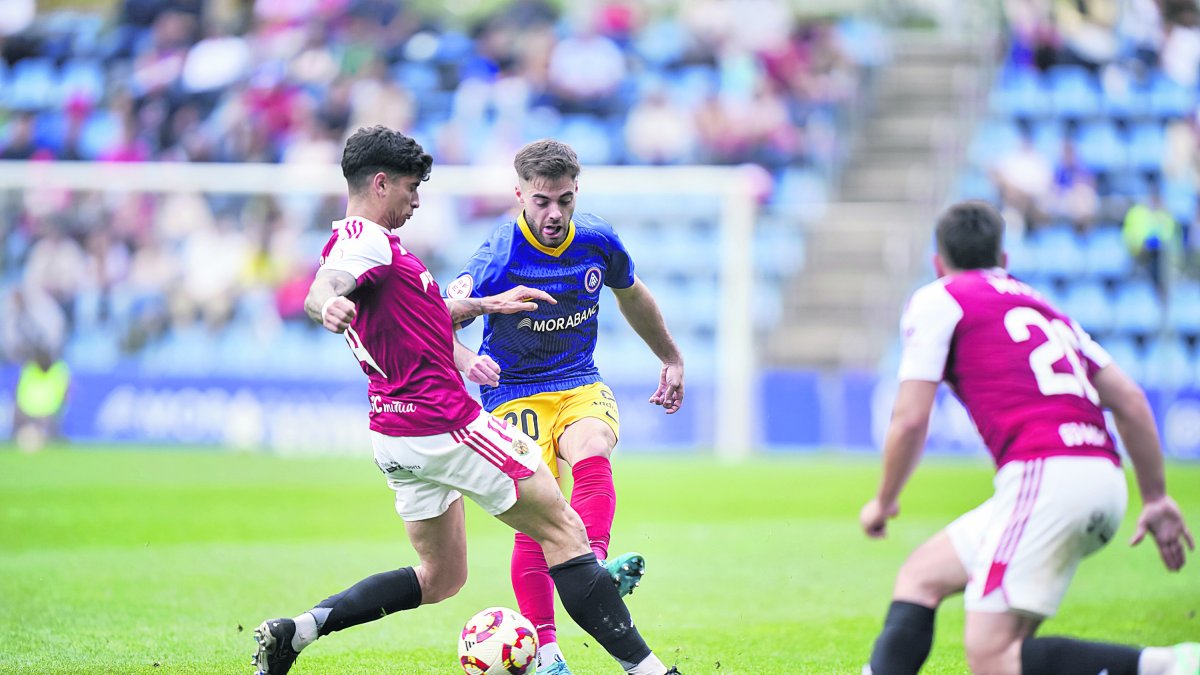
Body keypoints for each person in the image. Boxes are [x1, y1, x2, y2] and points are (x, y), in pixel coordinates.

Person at [251, 126, 680, 675]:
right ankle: (645, 669)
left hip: (393, 435)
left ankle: (299, 631)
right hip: (446, 424)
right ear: (380, 184)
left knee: (441, 577)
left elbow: (420, 314)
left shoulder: (359, 243)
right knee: (564, 531)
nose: (417, 199)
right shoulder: (369, 242)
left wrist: (488, 304)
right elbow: (323, 287)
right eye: (410, 187)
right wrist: (324, 304)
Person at [859, 201, 1197, 675]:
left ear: (939, 262)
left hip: (1046, 474)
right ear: (1004, 259)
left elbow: (911, 418)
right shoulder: (1045, 308)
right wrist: (1156, 497)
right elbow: (1132, 401)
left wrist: (884, 499)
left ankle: (1171, 666)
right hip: (1100, 476)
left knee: (991, 654)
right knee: (921, 576)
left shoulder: (940, 297)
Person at [446, 139, 685, 675]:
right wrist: (469, 349)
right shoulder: (497, 253)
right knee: (540, 511)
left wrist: (671, 357)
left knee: (593, 445)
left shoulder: (597, 240)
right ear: (519, 195)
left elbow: (634, 293)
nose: (554, 214)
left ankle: (594, 566)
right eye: (541, 202)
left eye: (565, 201)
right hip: (514, 391)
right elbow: (440, 312)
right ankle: (548, 653)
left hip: (578, 379)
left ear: (577, 194)